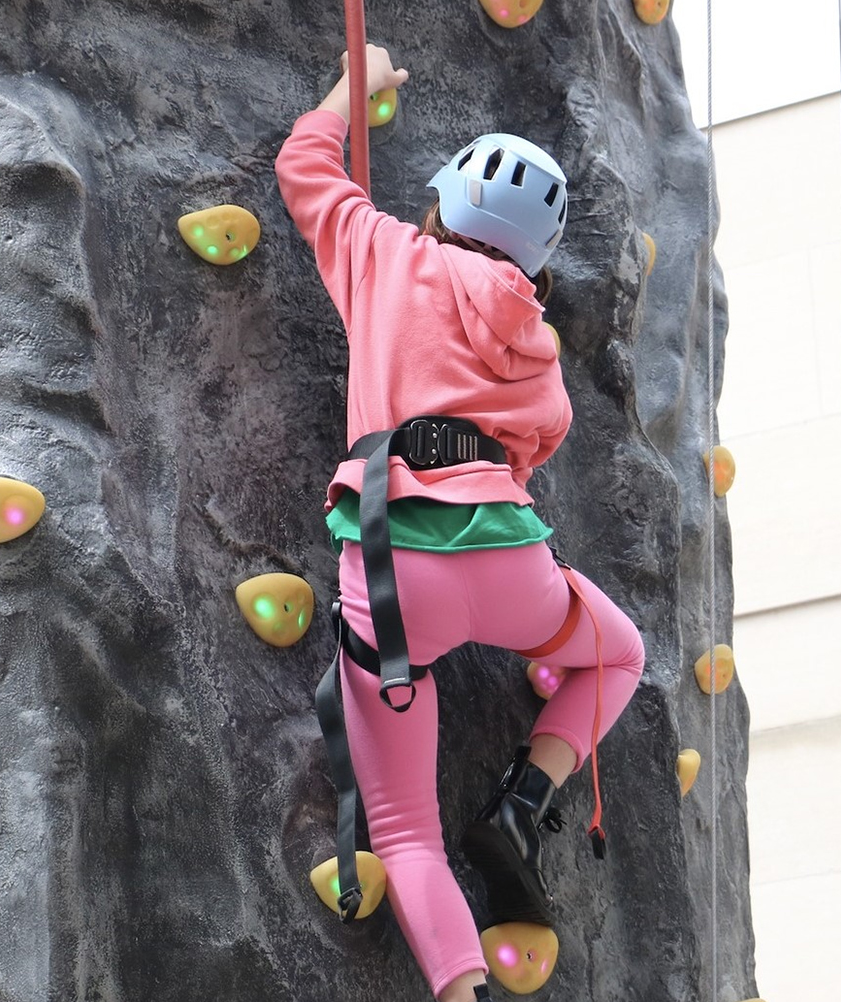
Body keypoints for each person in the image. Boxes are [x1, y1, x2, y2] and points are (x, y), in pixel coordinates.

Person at [275, 45, 647, 1002]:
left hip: (395, 578)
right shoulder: (536, 339)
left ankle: (461, 989)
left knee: (403, 831)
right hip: (512, 564)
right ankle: (524, 802)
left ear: (441, 205)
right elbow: (541, 442)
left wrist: (358, 89)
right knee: (618, 653)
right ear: (534, 256)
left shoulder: (386, 254)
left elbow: (304, 169)